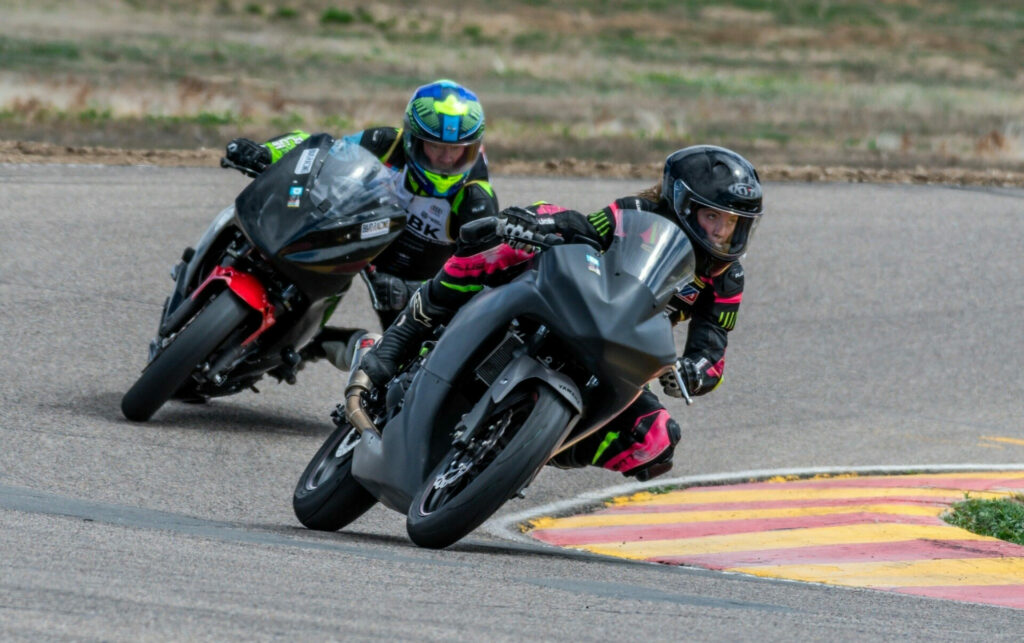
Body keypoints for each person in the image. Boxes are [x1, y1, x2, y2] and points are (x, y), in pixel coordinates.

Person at [355, 145, 764, 481]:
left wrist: (697, 369)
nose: (721, 233)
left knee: (656, 440)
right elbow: (582, 228)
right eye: (713, 217)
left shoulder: (726, 279)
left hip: (622, 352)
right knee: (509, 243)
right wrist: (535, 222)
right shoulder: (637, 212)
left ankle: (528, 450)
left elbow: (714, 347)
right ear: (682, 205)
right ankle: (396, 344)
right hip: (579, 302)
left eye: (733, 223)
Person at [223, 79, 499, 371]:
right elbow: (316, 150)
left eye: (457, 150)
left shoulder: (475, 199)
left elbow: (484, 268)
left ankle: (307, 348)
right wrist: (267, 152)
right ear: (413, 140)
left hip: (416, 277)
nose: (446, 158)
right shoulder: (386, 142)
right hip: (355, 239)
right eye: (435, 146)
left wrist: (438, 298)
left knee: (404, 362)